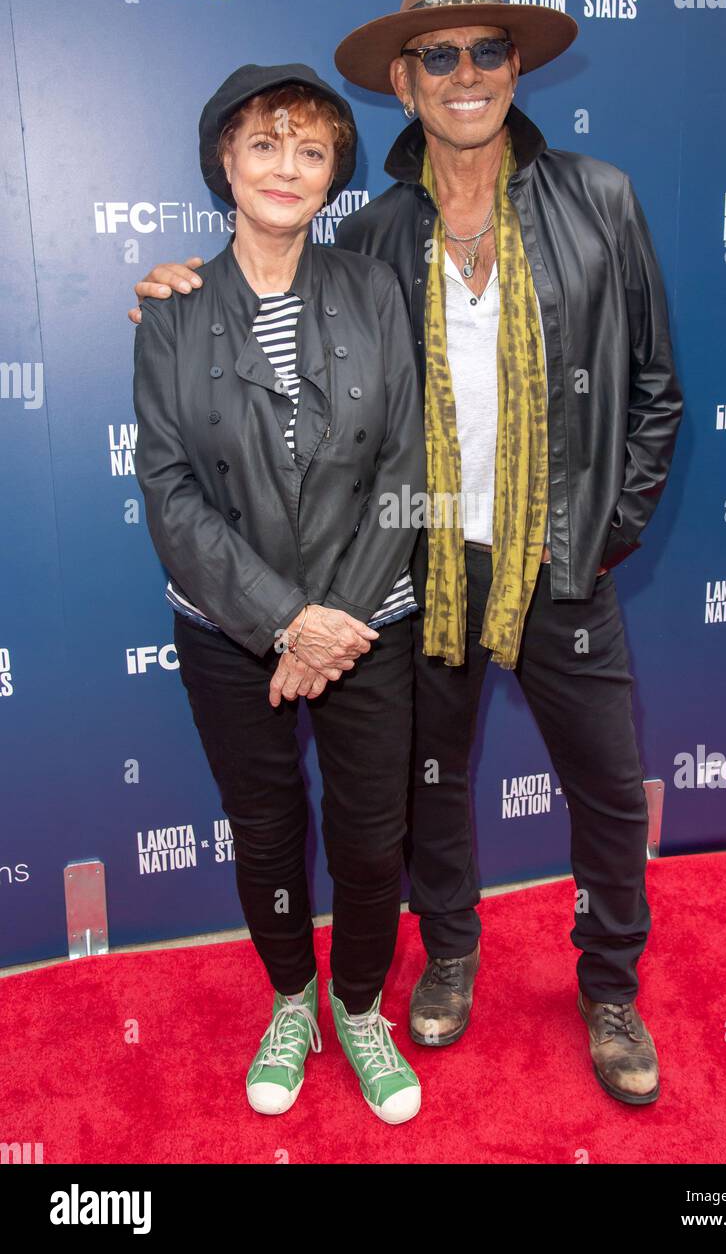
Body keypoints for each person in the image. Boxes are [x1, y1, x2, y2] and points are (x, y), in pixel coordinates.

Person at [129, 0, 684, 1107]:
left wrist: (600, 528)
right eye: (439, 53)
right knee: (428, 789)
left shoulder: (600, 200)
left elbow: (653, 390)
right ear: (404, 79)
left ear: (516, 63)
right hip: (423, 560)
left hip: (556, 558)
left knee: (606, 785)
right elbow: (269, 303)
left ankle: (610, 984)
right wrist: (184, 290)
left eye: (487, 49)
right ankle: (448, 958)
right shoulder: (371, 237)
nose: (465, 72)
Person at [132, 63, 426, 1125]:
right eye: (264, 144)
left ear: (333, 171)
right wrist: (280, 618)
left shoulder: (374, 290)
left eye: (310, 150)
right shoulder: (171, 310)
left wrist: (329, 624)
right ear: (225, 160)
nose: (286, 167)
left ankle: (358, 1010)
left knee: (366, 833)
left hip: (367, 620)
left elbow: (406, 462)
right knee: (263, 829)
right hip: (226, 628)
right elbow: (167, 490)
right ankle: (291, 1002)